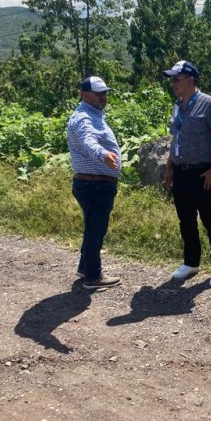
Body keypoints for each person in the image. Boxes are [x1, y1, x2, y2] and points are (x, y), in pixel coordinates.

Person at [162, 60, 211, 287]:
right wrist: (170, 167)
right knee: (186, 220)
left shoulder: (209, 104)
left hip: (202, 172)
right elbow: (175, 139)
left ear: (190, 80)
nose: (173, 84)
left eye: (177, 80)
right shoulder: (177, 105)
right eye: (172, 80)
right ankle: (191, 262)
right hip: (181, 172)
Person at [67, 76, 122, 291]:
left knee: (93, 227)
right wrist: (104, 155)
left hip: (95, 183)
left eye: (105, 92)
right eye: (99, 93)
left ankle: (85, 267)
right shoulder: (83, 118)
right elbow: (88, 140)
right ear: (84, 94)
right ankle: (93, 276)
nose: (103, 96)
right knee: (95, 230)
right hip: (94, 185)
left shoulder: (92, 114)